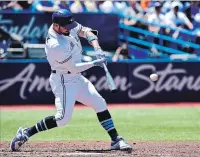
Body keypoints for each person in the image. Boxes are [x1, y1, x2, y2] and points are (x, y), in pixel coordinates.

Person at [10, 9, 132, 152]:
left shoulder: (67, 25)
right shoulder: (55, 44)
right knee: (62, 119)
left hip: (76, 78)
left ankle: (115, 140)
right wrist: (94, 63)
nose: (70, 29)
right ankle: (26, 133)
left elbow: (86, 32)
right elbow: (73, 68)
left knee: (99, 103)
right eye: (66, 27)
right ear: (56, 26)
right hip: (63, 80)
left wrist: (97, 47)